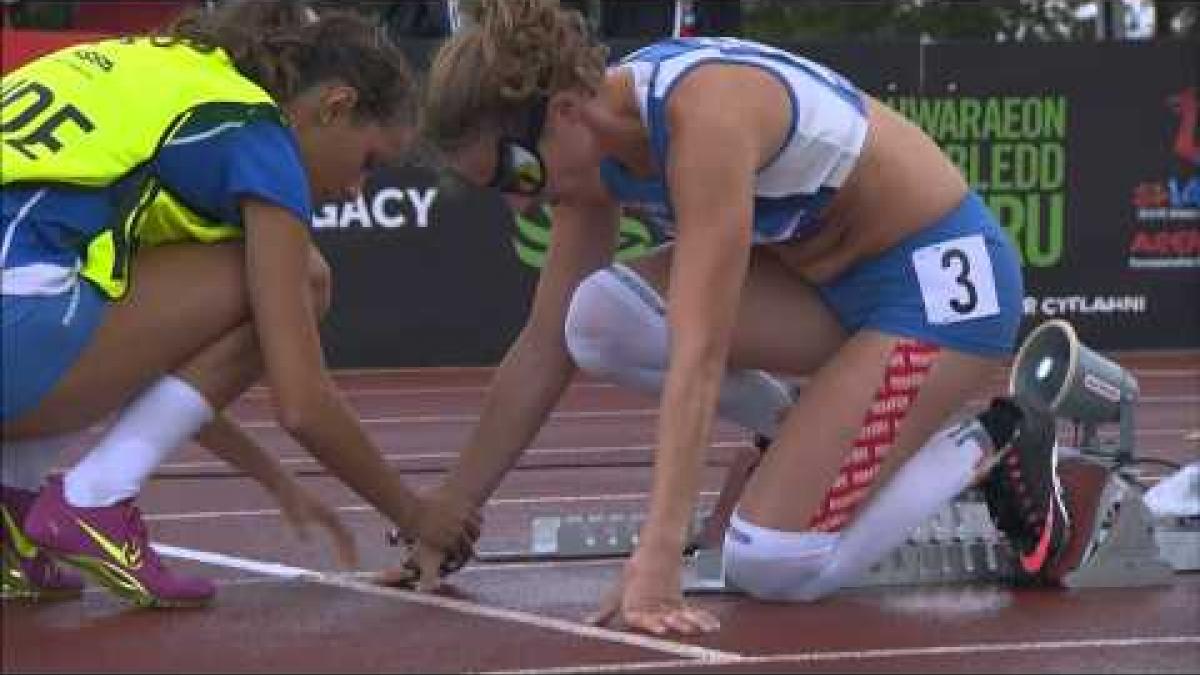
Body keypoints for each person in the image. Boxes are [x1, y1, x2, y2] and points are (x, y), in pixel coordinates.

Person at [402, 0, 1079, 635]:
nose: (520, 205)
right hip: (828, 286)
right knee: (596, 318)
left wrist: (659, 555)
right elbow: (547, 345)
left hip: (939, 293)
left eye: (516, 175)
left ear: (568, 111)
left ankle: (1000, 437)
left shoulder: (706, 120)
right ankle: (804, 437)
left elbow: (700, 352)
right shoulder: (592, 151)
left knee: (775, 561)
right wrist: (447, 513)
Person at [0, 0, 477, 607]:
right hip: (13, 344)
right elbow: (301, 402)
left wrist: (270, 476)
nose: (356, 188)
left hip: (19, 330)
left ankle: (13, 512)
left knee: (68, 275)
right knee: (304, 278)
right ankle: (94, 499)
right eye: (369, 162)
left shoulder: (151, 72)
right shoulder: (253, 131)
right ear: (336, 106)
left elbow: (142, 361)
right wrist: (415, 515)